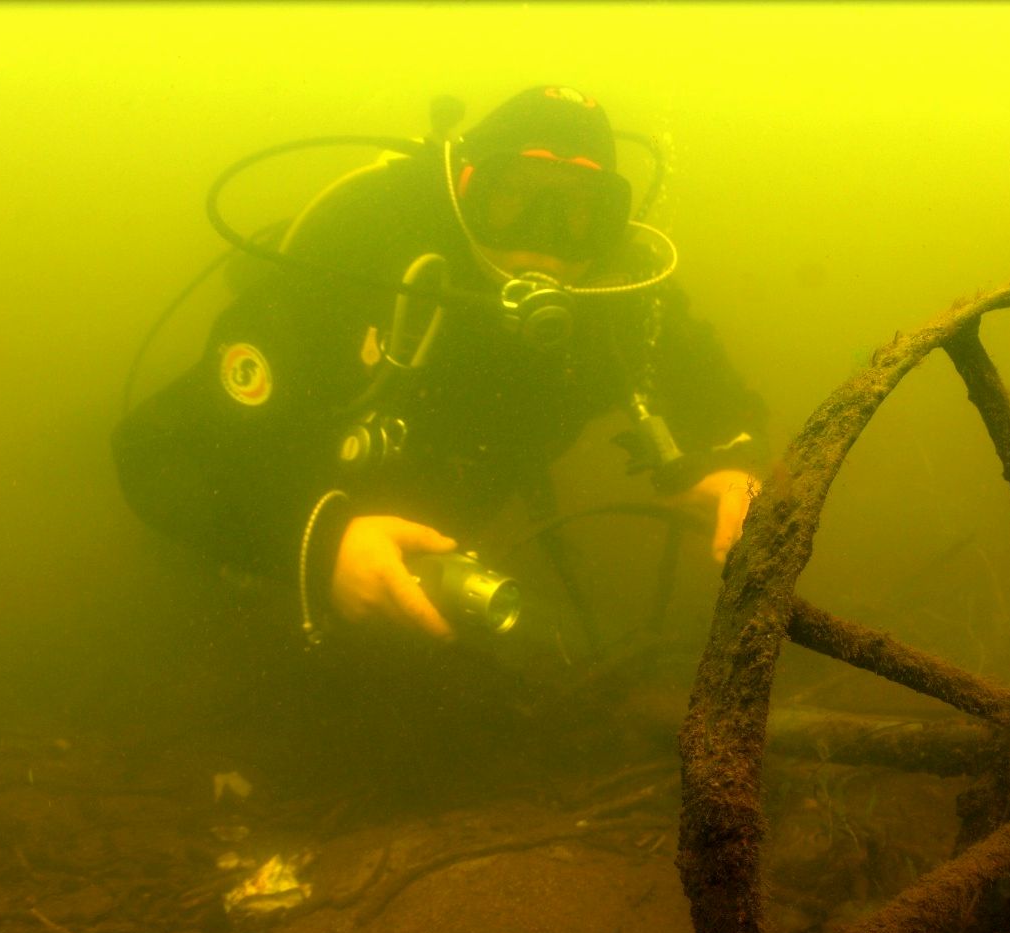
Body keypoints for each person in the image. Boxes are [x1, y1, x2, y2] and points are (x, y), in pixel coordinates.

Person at [113, 85, 767, 654]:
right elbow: (158, 449)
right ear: (463, 187)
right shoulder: (364, 250)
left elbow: (720, 398)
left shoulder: (616, 290)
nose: (542, 239)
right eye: (511, 197)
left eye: (578, 212)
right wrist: (317, 546)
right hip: (289, 504)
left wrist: (726, 461)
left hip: (446, 534)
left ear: (610, 223)